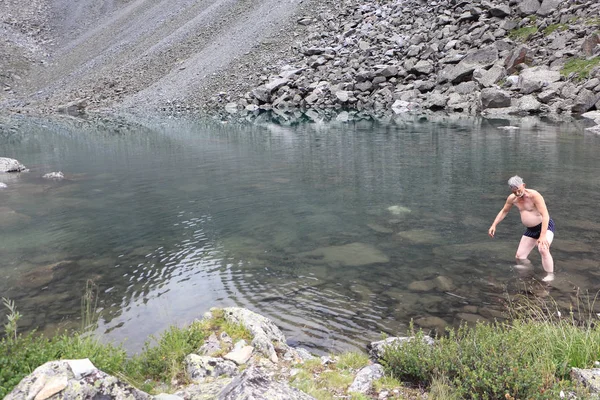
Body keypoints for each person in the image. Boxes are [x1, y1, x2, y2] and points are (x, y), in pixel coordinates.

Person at [488, 175, 556, 282]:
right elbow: (504, 211)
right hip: (531, 230)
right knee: (520, 257)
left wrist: (542, 236)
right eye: (514, 192)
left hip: (545, 226)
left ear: (523, 185)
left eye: (519, 190)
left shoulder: (534, 195)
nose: (517, 194)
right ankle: (528, 272)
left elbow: (545, 215)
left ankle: (550, 275)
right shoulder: (512, 198)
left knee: (543, 249)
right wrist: (494, 225)